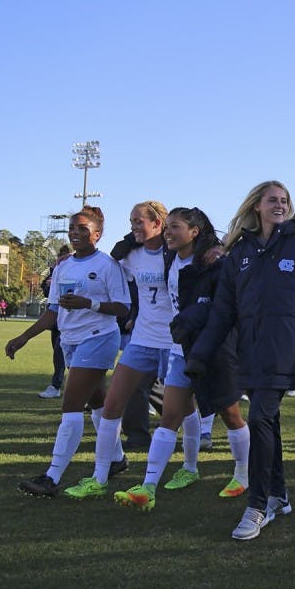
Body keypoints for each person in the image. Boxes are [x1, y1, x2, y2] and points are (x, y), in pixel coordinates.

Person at [186, 181, 295, 540]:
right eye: (273, 200)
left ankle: (257, 504)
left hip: (285, 353)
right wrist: (200, 354)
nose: (280, 205)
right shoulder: (239, 253)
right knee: (268, 422)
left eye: (285, 200)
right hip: (248, 355)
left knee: (259, 417)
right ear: (257, 206)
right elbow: (223, 310)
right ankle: (279, 495)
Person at [115, 206, 251, 510]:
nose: (168, 233)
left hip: (215, 349)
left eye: (175, 227)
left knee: (230, 415)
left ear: (195, 232)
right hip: (181, 350)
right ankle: (148, 488)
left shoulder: (215, 262)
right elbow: (138, 242)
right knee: (170, 417)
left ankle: (243, 475)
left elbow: (224, 308)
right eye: (167, 228)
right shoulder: (169, 257)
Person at [6, 206, 130, 497]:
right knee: (99, 404)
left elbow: (123, 307)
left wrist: (90, 304)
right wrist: (24, 337)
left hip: (99, 338)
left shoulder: (107, 265)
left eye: (83, 228)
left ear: (97, 234)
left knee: (71, 407)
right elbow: (53, 311)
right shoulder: (62, 266)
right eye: (72, 228)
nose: (75, 232)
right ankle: (117, 458)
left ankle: (52, 476)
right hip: (70, 341)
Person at [61, 201, 176, 500]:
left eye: (139, 221)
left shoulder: (176, 253)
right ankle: (99, 477)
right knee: (111, 405)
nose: (134, 227)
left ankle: (188, 466)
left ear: (158, 223)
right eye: (131, 221)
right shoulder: (130, 256)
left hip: (175, 341)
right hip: (141, 339)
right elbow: (110, 275)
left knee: (181, 413)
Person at [39, 245, 72, 399]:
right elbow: (48, 293)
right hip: (56, 320)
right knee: (58, 353)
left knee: (61, 352)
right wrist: (47, 284)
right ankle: (58, 384)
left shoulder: (78, 268)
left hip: (72, 320)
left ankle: (57, 385)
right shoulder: (56, 270)